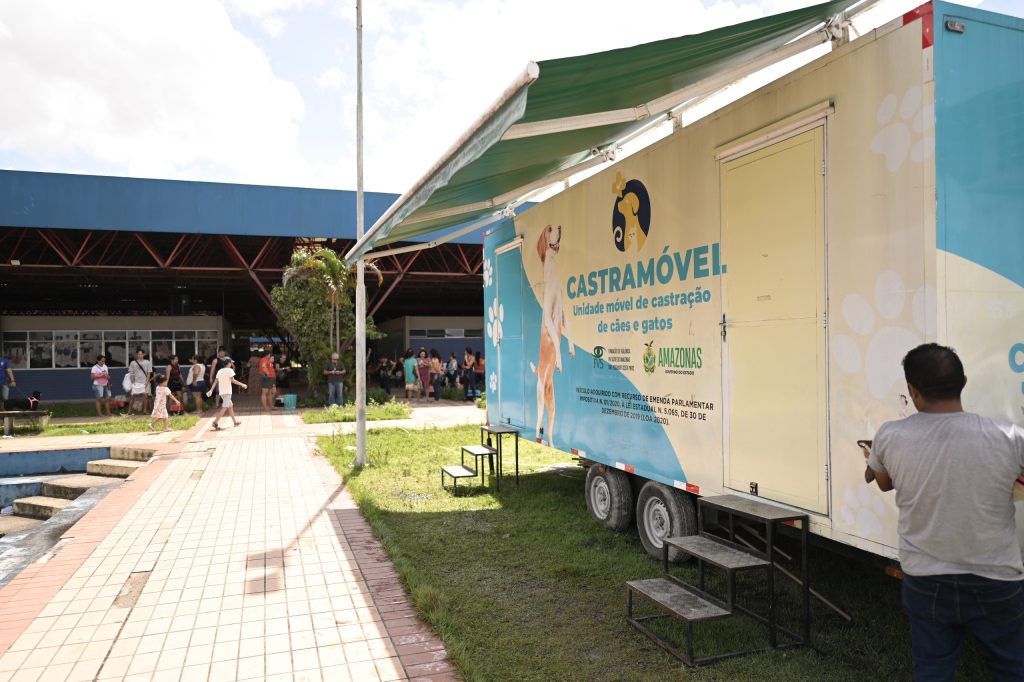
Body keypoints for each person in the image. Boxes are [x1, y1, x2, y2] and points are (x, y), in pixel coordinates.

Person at [863, 343, 1024, 680]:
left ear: (913, 391)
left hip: (926, 578)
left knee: (933, 670)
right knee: (1012, 668)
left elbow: (883, 483)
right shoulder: (1010, 437)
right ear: (963, 382)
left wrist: (873, 461)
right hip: (996, 577)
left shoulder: (890, 435)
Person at [206, 358, 246, 430]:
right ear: (229, 363)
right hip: (227, 392)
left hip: (222, 392)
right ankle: (215, 422)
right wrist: (242, 384)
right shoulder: (230, 370)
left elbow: (215, 381)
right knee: (225, 407)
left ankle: (235, 422)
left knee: (230, 406)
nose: (232, 364)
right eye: (231, 363)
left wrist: (211, 390)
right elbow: (233, 380)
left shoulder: (220, 371)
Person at [126, 349, 153, 415]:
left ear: (144, 354)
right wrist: (133, 383)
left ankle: (145, 410)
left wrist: (147, 382)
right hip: (136, 382)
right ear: (136, 355)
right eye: (138, 354)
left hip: (145, 382)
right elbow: (131, 373)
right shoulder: (133, 363)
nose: (140, 355)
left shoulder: (147, 362)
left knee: (145, 397)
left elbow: (149, 373)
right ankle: (129, 411)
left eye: (141, 354)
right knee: (132, 397)